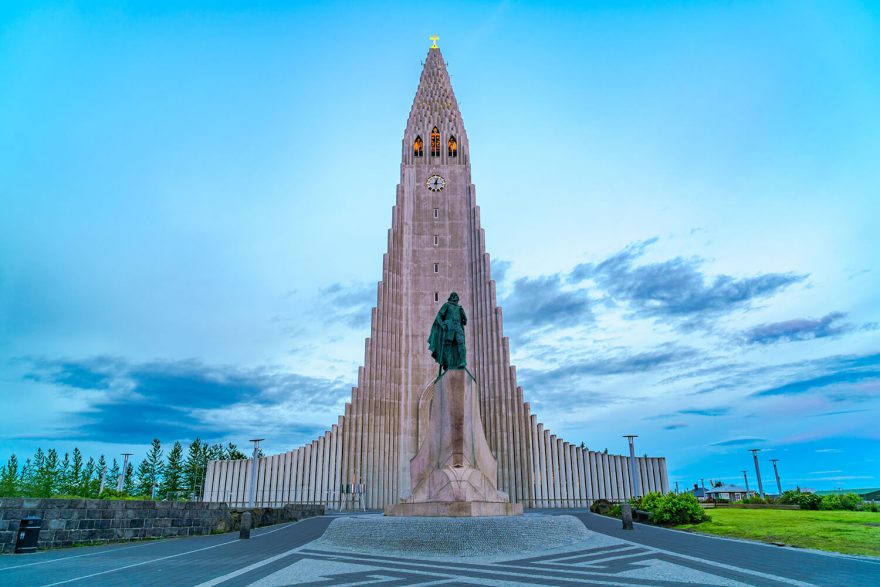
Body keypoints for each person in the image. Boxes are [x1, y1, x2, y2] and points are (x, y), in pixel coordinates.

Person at [428, 291, 467, 373]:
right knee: (447, 345)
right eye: (453, 296)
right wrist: (442, 325)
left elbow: (465, 322)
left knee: (461, 343)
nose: (454, 297)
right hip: (449, 327)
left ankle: (462, 361)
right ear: (451, 297)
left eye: (456, 296)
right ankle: (448, 364)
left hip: (458, 326)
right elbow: (439, 316)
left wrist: (463, 315)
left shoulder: (460, 308)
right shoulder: (447, 305)